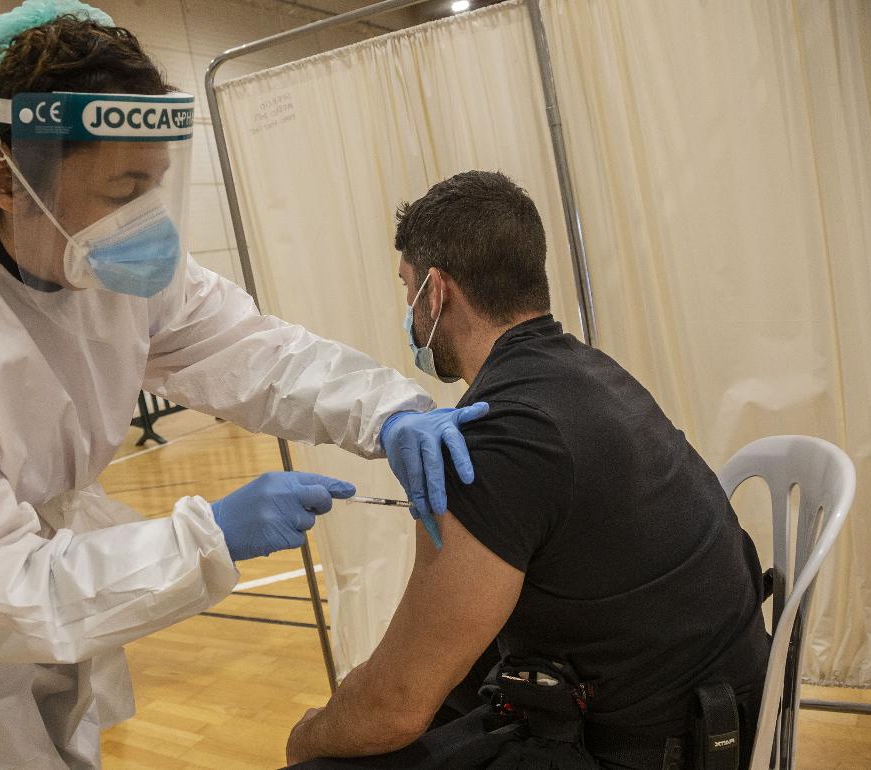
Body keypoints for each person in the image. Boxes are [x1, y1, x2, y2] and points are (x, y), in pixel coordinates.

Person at [0, 3, 487, 768]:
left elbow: (251, 351)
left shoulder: (98, 255)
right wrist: (208, 538)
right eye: (123, 192)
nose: (146, 223)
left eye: (155, 187)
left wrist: (389, 411)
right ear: (7, 179)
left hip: (42, 562)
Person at [285, 171, 770, 769]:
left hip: (653, 748)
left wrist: (303, 739)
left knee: (333, 752)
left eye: (407, 289)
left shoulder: (497, 440)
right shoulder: (587, 373)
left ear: (435, 293)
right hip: (721, 709)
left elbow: (394, 706)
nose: (408, 311)